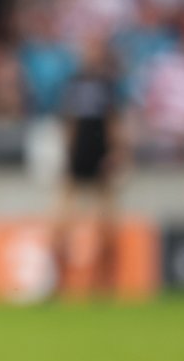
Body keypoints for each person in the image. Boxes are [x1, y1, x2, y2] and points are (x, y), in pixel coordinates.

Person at [54, 33, 128, 294]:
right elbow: (69, 124)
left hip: (100, 156)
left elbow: (113, 122)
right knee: (62, 222)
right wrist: (67, 155)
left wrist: (117, 153)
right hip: (78, 158)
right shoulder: (73, 83)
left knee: (106, 224)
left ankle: (105, 283)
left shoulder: (108, 84)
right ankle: (59, 281)